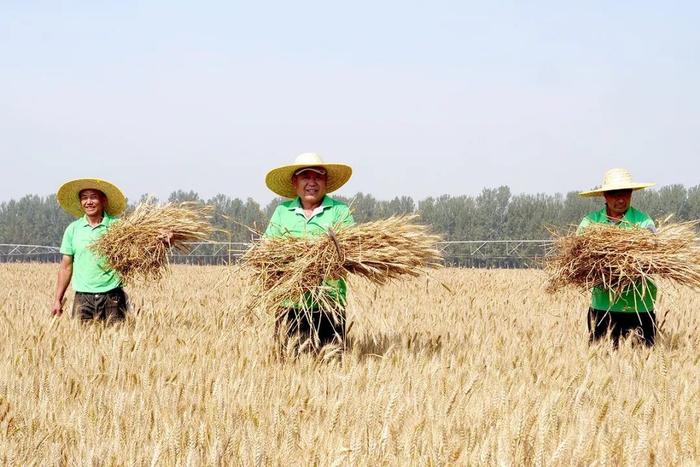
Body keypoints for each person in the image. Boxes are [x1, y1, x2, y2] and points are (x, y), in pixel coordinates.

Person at [264, 153, 354, 351]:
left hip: (329, 305)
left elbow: (350, 253)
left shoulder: (340, 212)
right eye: (305, 176)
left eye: (318, 176)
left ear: (326, 181)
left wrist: (329, 264)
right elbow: (267, 252)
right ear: (294, 182)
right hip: (290, 304)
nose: (312, 182)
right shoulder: (282, 212)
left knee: (330, 370)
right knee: (289, 369)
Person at [578, 168, 657, 347]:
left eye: (625, 193)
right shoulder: (590, 224)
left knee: (644, 367)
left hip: (639, 307)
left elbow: (652, 256)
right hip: (603, 308)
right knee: (600, 365)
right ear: (605, 195)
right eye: (615, 194)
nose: (621, 199)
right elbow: (580, 260)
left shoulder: (644, 223)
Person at [51, 178, 129, 323]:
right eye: (84, 198)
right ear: (81, 203)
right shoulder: (73, 229)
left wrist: (163, 239)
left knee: (118, 342)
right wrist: (57, 299)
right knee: (81, 343)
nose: (89, 202)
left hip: (112, 297)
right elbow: (66, 267)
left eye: (93, 197)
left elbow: (143, 244)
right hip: (82, 299)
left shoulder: (118, 227)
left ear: (103, 200)